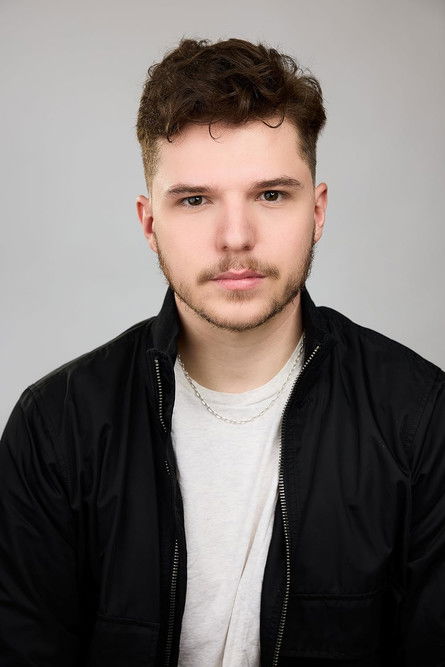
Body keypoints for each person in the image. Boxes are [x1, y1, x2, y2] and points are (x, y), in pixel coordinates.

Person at [0, 36, 444, 667]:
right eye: (195, 200)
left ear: (318, 212)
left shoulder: (422, 421)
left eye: (271, 195)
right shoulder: (55, 427)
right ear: (149, 222)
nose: (236, 237)